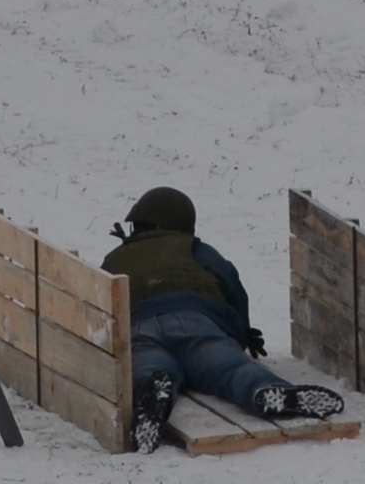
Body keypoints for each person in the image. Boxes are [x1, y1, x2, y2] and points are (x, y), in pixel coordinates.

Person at [100, 187, 344, 449]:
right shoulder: (195, 249)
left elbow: (102, 304)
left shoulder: (114, 259)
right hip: (195, 321)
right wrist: (242, 333)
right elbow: (231, 285)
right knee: (228, 367)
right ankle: (266, 391)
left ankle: (151, 393)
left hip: (140, 327)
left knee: (149, 366)